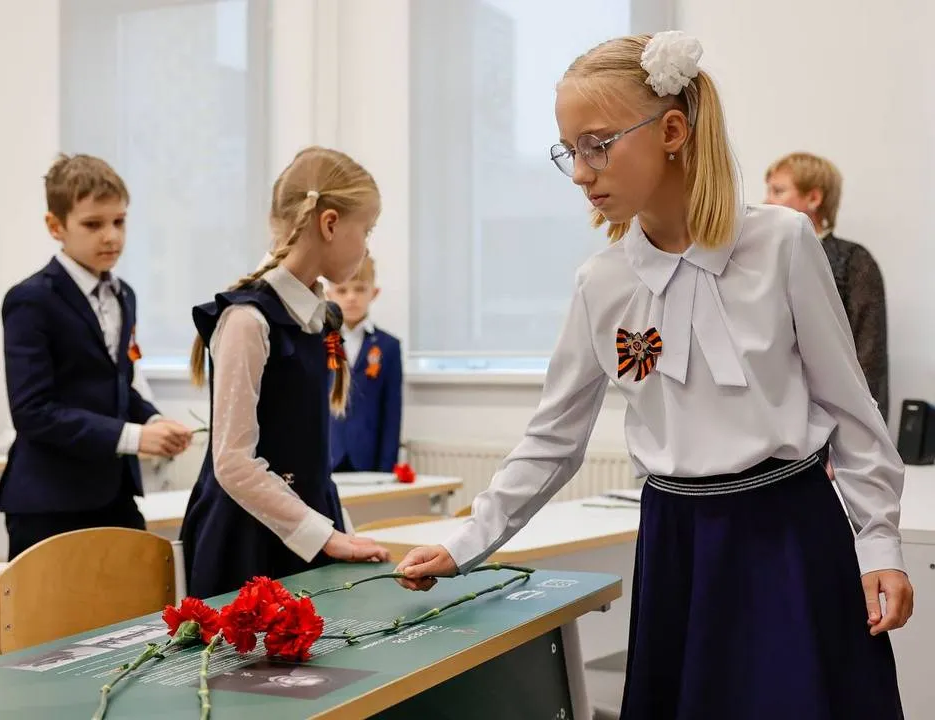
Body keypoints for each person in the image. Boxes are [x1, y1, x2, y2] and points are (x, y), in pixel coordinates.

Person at [394, 32, 913, 719]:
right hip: (679, 548)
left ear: (672, 130)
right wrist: (464, 543)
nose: (581, 172)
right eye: (569, 150)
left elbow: (851, 410)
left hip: (790, 534)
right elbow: (553, 439)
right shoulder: (600, 283)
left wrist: (880, 542)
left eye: (598, 144)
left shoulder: (782, 243)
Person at [181, 146, 390, 598]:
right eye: (366, 231)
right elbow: (233, 464)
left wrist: (341, 533)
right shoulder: (247, 320)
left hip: (305, 533)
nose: (367, 245)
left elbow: (313, 465)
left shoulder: (315, 318)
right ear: (330, 223)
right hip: (247, 547)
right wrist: (328, 537)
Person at [0, 153, 192, 560]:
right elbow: (32, 411)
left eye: (119, 222)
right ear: (55, 226)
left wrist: (153, 419)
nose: (111, 237)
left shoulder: (125, 295)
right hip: (49, 503)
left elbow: (119, 383)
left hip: (114, 493)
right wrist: (135, 437)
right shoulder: (30, 301)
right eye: (93, 224)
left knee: (135, 616)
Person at [765, 152, 889, 422]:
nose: (767, 200)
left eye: (778, 191)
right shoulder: (760, 260)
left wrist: (856, 442)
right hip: (773, 423)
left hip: (831, 427)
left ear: (814, 198)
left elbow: (870, 358)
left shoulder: (854, 262)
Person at [326, 256, 403, 473]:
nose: (351, 297)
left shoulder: (389, 347)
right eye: (342, 291)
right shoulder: (318, 342)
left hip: (368, 459)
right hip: (327, 456)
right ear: (329, 294)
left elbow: (392, 414)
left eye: (360, 289)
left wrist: (387, 468)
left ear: (374, 292)